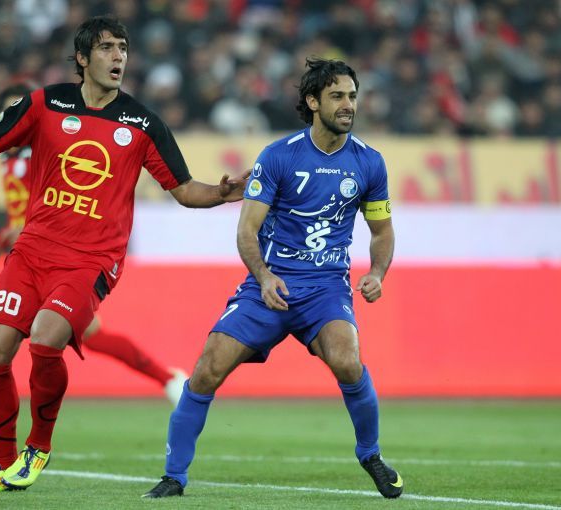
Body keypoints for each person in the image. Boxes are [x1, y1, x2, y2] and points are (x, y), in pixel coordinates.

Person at [0, 15, 246, 493]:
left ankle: (38, 446)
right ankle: (3, 465)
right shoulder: (45, 103)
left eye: (123, 48)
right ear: (82, 58)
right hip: (32, 249)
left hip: (91, 259)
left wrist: (221, 193)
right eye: (106, 48)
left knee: (45, 340)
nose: (118, 56)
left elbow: (184, 189)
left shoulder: (142, 123)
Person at [143, 57, 403, 499]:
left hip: (325, 289)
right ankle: (174, 477)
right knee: (207, 369)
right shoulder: (279, 156)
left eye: (352, 96)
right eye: (337, 96)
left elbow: (382, 231)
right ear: (313, 101)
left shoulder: (369, 163)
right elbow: (246, 231)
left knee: (348, 362)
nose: (348, 105)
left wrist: (377, 272)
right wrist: (263, 277)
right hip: (269, 286)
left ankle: (370, 454)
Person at [0, 84, 187, 449]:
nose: (14, 121)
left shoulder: (45, 152)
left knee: (1, 339)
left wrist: (5, 240)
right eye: (7, 112)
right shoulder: (10, 159)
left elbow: (48, 206)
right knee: (11, 340)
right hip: (32, 255)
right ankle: (167, 379)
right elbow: (21, 212)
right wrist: (1, 240)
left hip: (59, 257)